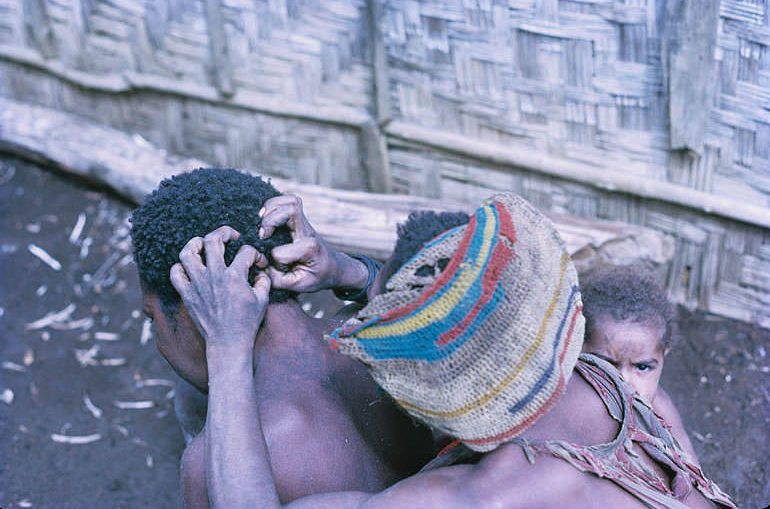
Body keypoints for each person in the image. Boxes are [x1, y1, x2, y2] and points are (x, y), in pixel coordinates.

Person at [172, 191, 736, 509]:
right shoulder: (615, 384)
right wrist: (345, 270)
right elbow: (473, 316)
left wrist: (226, 347)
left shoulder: (465, 500)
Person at [129, 168, 436, 507]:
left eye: (151, 315)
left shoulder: (210, 465)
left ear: (196, 305)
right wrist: (346, 268)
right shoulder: (390, 331)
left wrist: (225, 346)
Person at [580, 265, 700, 463]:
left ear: (663, 356)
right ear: (579, 349)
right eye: (605, 364)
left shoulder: (661, 413)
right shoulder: (565, 394)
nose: (624, 382)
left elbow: (692, 468)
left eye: (642, 367)